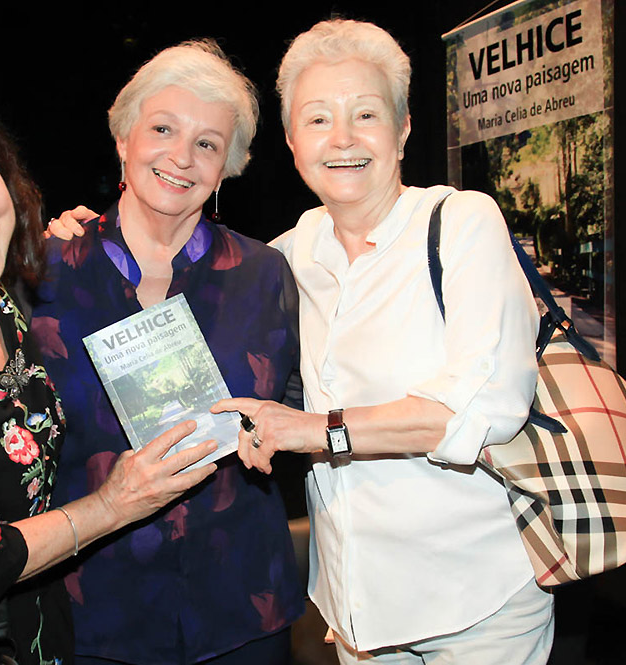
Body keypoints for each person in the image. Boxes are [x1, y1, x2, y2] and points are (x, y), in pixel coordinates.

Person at [0, 41, 305, 665]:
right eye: (161, 129)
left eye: (208, 143)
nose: (181, 156)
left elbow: (297, 408)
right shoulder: (34, 271)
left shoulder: (266, 275)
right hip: (90, 612)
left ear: (228, 165)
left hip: (242, 606)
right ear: (123, 137)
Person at [209, 19, 553, 665]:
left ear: (402, 129)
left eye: (365, 113)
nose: (341, 138)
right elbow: (184, 279)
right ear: (291, 141)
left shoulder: (461, 223)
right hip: (355, 609)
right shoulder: (286, 255)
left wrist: (315, 429)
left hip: (476, 601)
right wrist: (96, 232)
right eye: (317, 120)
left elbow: (476, 409)